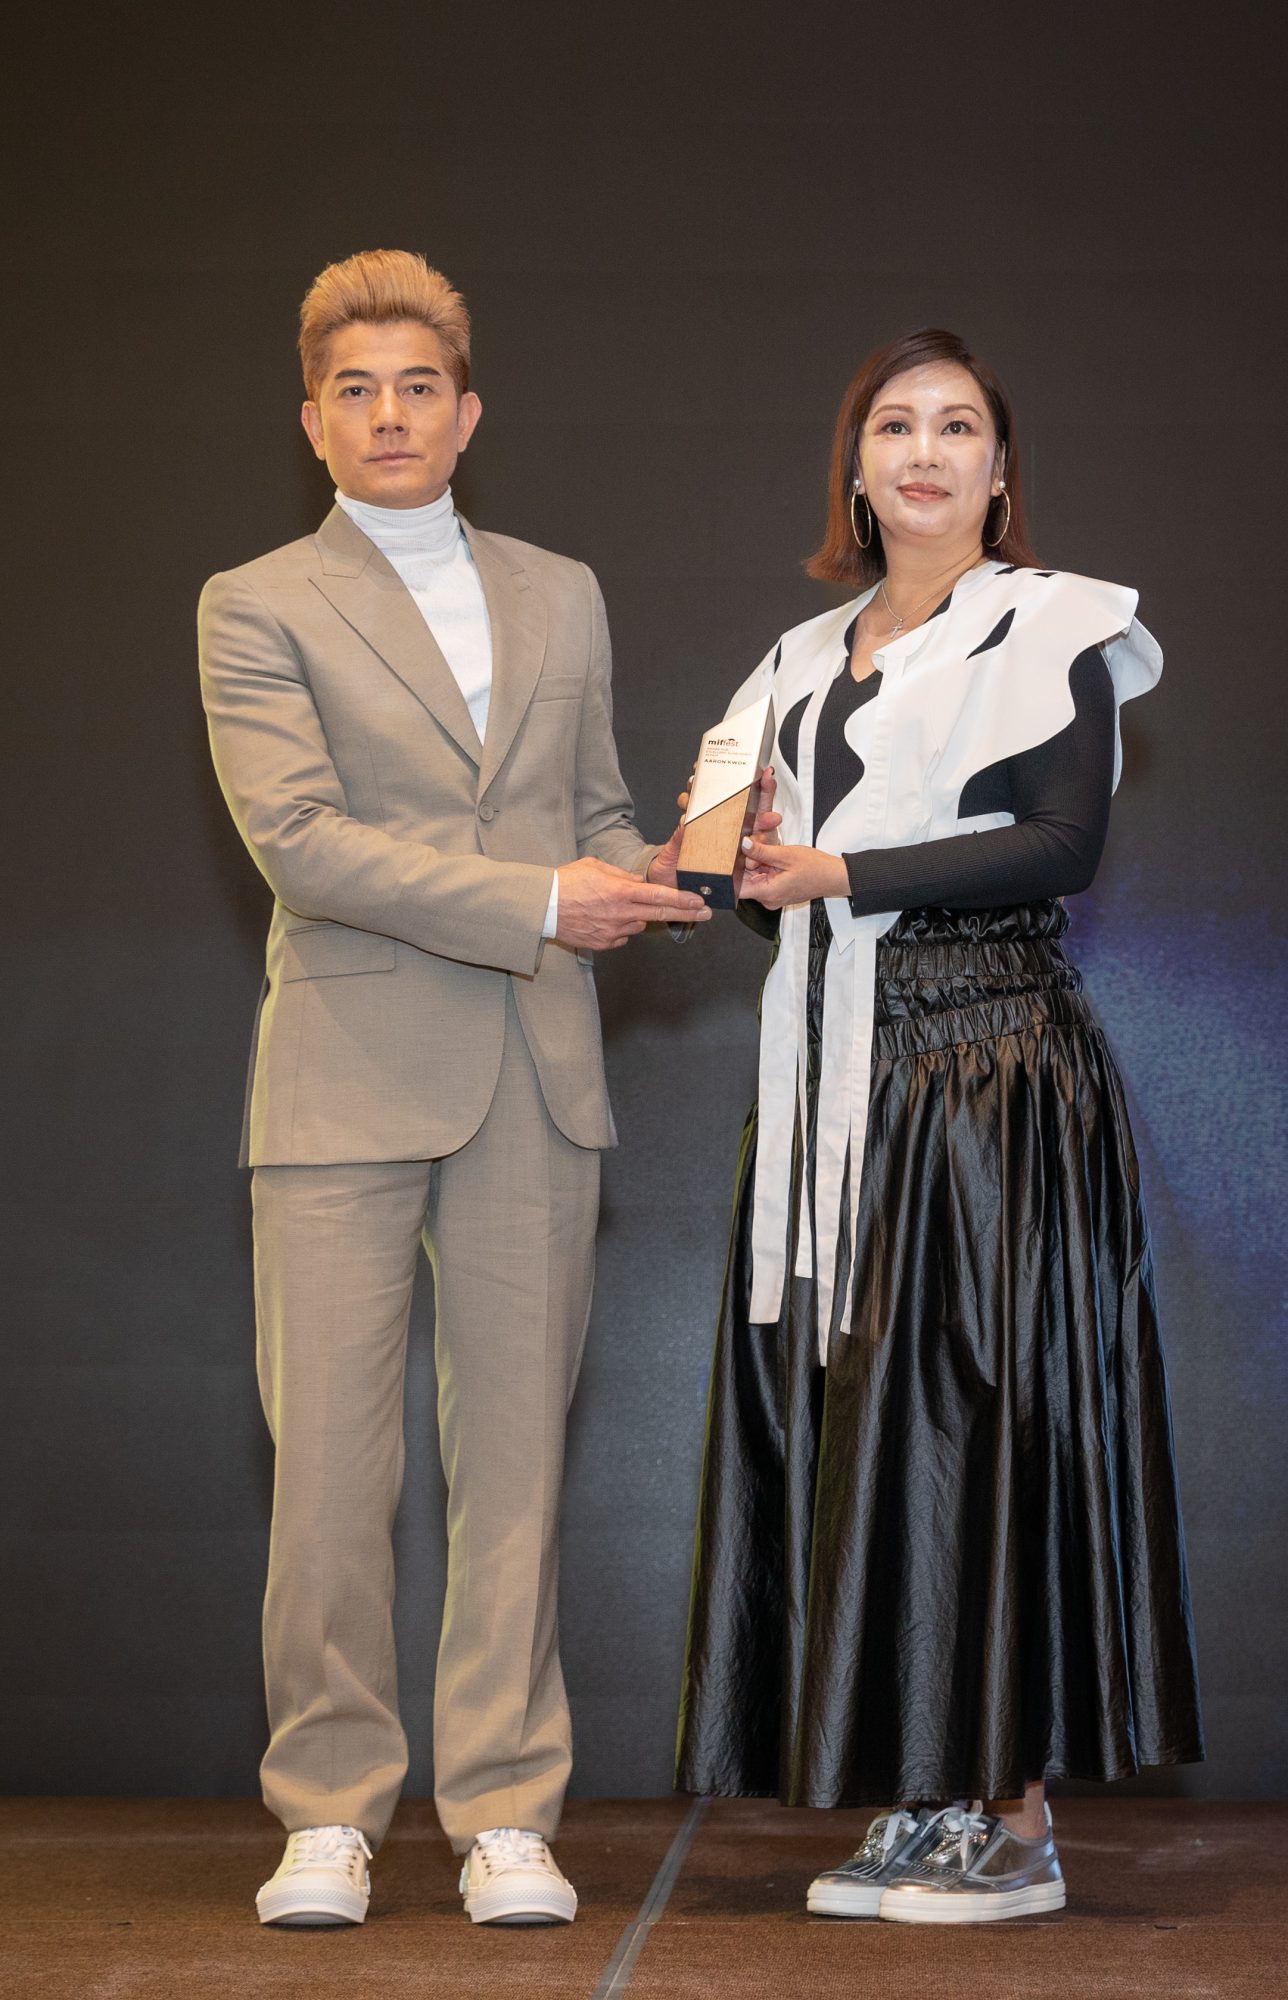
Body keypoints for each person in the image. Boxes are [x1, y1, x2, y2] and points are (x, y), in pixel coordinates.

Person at [199, 249, 709, 1929]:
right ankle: (328, 1813)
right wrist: (547, 901)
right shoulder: (255, 601)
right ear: (312, 423)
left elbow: (595, 809)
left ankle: (504, 1812)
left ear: (469, 412)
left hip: (537, 1072)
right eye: (355, 391)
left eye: (419, 386)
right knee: (331, 1477)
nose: (390, 414)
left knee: (517, 1472)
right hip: (342, 1077)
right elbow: (301, 844)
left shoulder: (563, 591)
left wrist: (677, 865)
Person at [674, 327, 1203, 1923]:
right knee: (871, 1434)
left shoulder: (1055, 623)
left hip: (991, 1074)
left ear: (999, 469)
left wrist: (840, 872)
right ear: (855, 465)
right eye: (895, 424)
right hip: (838, 1077)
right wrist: (729, 870)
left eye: (958, 426)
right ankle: (924, 1793)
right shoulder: (792, 661)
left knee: (989, 1420)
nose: (924, 450)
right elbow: (760, 888)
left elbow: (1061, 845)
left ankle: (1018, 1816)